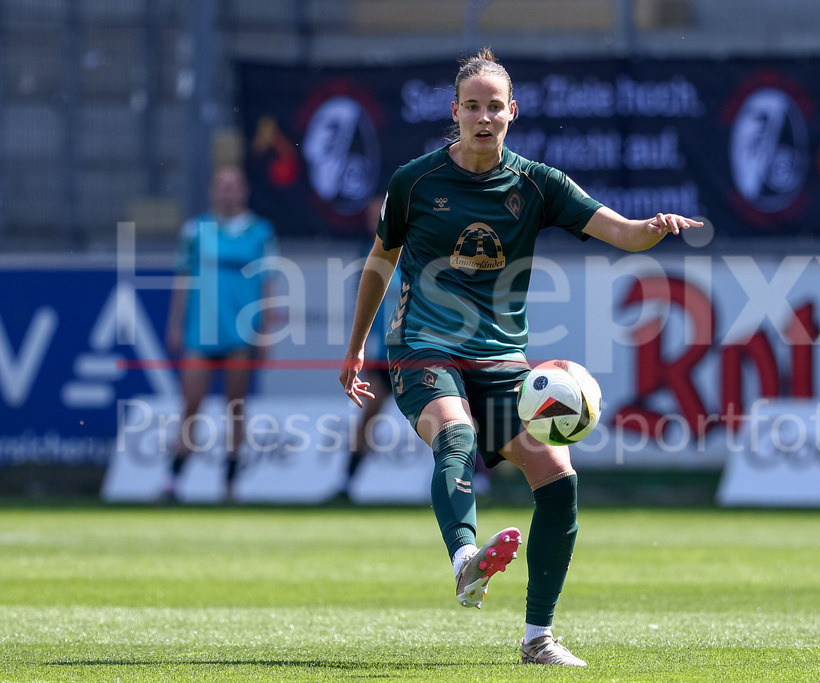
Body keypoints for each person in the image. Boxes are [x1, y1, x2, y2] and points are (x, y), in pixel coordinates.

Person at [339, 48, 702, 667]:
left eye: (494, 107)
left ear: (513, 111)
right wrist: (354, 349)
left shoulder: (538, 184)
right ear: (455, 112)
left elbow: (621, 231)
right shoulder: (415, 181)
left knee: (559, 480)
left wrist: (654, 227)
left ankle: (539, 639)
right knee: (454, 434)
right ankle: (465, 560)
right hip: (422, 347)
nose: (483, 118)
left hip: (502, 359)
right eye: (471, 107)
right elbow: (381, 260)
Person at [163, 164, 278, 503]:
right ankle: (173, 481)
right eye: (222, 185)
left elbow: (268, 283)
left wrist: (266, 331)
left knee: (236, 407)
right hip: (201, 331)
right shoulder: (195, 230)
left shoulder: (260, 231)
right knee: (191, 405)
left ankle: (229, 484)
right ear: (213, 191)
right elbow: (183, 278)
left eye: (234, 185)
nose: (228, 192)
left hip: (240, 333)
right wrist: (175, 323)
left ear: (244, 191)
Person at [342, 196, 393, 500]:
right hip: (383, 353)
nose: (377, 224)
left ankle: (475, 481)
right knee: (367, 415)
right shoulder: (367, 255)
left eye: (381, 217)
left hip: (416, 351)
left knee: (442, 418)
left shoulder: (416, 252)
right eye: (373, 219)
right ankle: (347, 484)